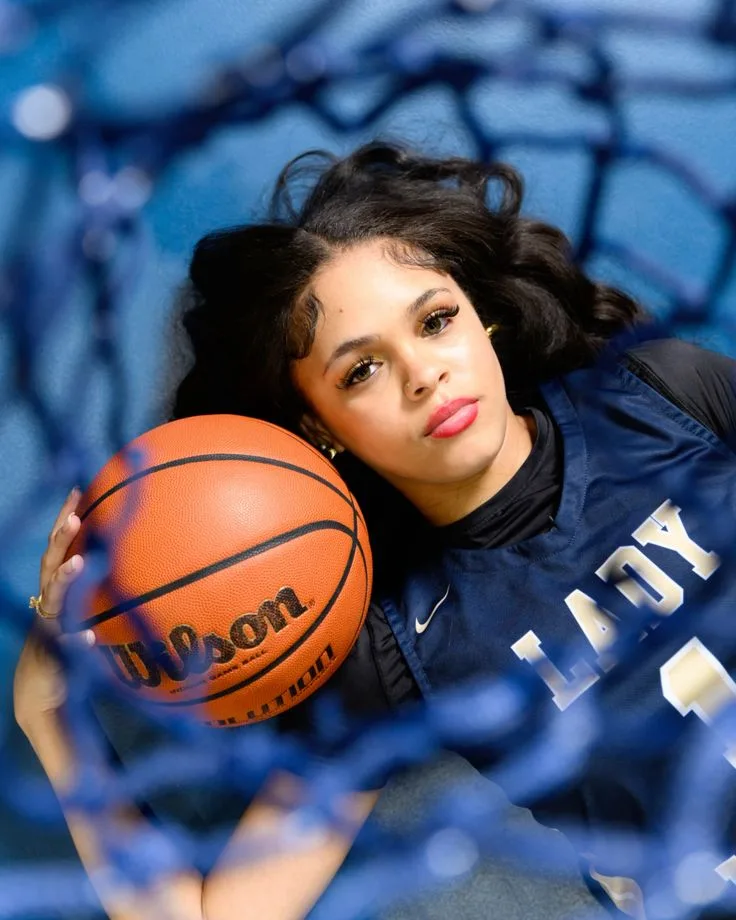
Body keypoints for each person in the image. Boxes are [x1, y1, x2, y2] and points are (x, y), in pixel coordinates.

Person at [15, 140, 736, 920]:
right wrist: (50, 721)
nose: (424, 374)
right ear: (318, 426)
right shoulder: (391, 645)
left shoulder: (665, 395)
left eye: (435, 321)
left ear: (480, 315)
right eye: (361, 370)